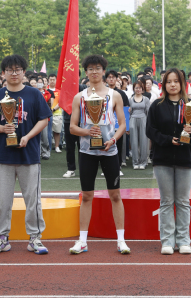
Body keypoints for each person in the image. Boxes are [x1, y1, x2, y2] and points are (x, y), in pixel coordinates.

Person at [0, 55, 52, 255]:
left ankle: (35, 238)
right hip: (3, 156)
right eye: (10, 70)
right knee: (3, 201)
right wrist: (1, 129)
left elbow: (44, 119)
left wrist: (28, 136)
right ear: (3, 73)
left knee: (33, 200)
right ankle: (2, 238)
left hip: (29, 156)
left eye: (18, 70)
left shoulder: (34, 94)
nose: (14, 73)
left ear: (23, 72)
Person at [68, 55, 129, 255]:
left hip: (110, 151)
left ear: (104, 71)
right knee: (87, 196)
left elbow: (122, 124)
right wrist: (87, 132)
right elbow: (72, 127)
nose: (94, 71)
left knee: (115, 195)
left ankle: (121, 240)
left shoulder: (115, 95)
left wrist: (113, 140)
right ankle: (82, 241)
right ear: (86, 72)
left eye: (98, 68)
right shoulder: (79, 97)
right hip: (87, 151)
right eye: (90, 68)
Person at [146, 68, 191, 255]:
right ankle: (167, 241)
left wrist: (190, 131)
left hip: (186, 158)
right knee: (167, 201)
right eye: (169, 81)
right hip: (162, 159)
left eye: (176, 81)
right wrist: (167, 139)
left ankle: (184, 240)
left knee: (183, 201)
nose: (172, 85)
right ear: (164, 84)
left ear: (182, 83)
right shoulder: (156, 105)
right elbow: (150, 130)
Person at [129, 81, 150, 170]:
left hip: (143, 120)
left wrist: (149, 124)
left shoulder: (146, 99)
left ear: (142, 89)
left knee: (144, 141)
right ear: (134, 89)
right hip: (133, 120)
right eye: (136, 88)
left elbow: (148, 112)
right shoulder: (130, 99)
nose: (138, 89)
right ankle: (135, 162)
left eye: (140, 88)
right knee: (134, 142)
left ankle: (143, 162)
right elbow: (129, 112)